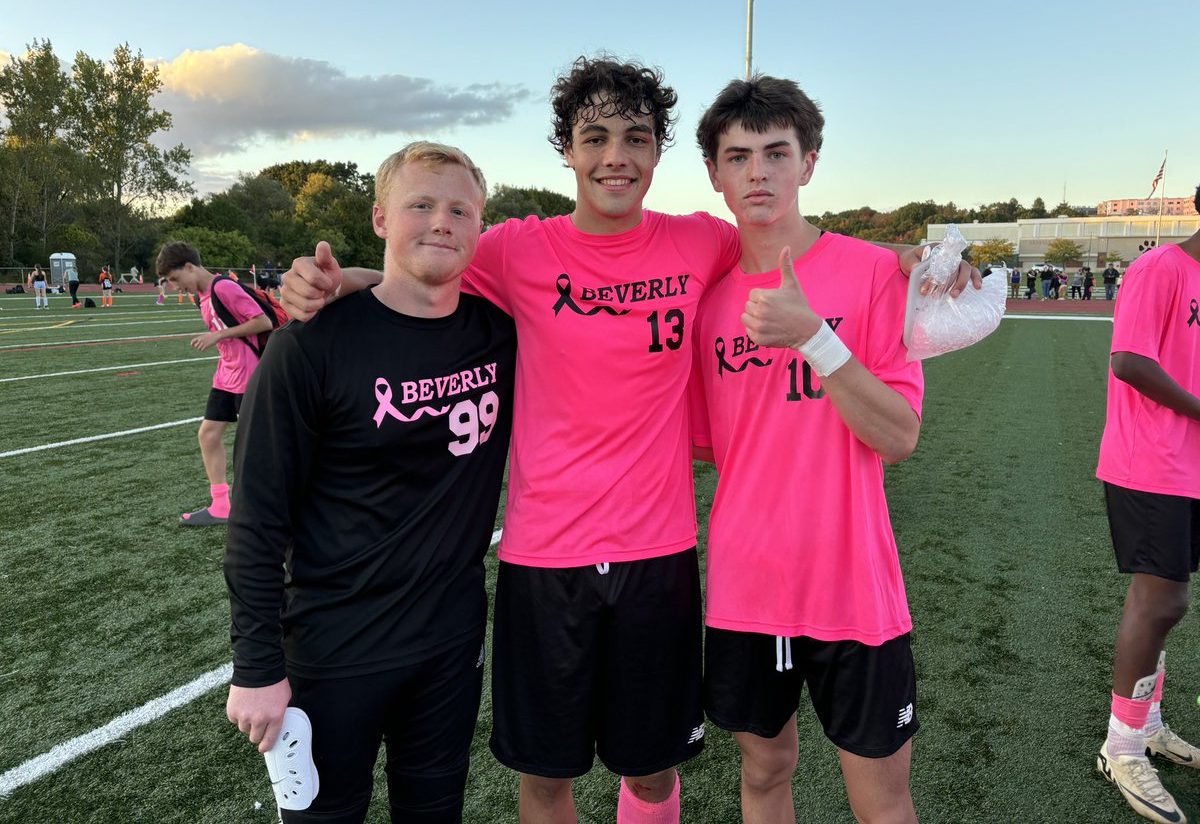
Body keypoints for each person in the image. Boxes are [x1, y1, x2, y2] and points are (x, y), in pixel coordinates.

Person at [280, 57, 977, 824]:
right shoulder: (516, 249)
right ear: (569, 152)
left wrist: (906, 261)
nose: (616, 155)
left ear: (659, 154)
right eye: (596, 137)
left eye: (636, 138)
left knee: (651, 774)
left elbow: (799, 252)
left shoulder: (700, 244)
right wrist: (330, 281)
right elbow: (419, 263)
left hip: (661, 557)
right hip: (545, 559)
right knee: (548, 778)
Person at [225, 143, 515, 823]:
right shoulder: (310, 346)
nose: (441, 221)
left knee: (435, 812)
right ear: (381, 217)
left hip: (449, 640)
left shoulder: (502, 334)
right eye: (421, 205)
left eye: (459, 209)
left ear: (481, 226)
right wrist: (257, 666)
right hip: (334, 648)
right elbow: (259, 520)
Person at [689, 75, 923, 823]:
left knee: (881, 799)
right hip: (747, 585)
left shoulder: (875, 272)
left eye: (776, 152)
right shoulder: (708, 300)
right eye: (739, 156)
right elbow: (705, 444)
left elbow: (898, 435)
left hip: (854, 584)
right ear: (716, 174)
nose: (759, 171)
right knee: (763, 774)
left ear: (809, 163)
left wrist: (816, 338)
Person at [1094, 183, 1200, 824]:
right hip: (1150, 459)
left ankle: (1149, 722)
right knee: (1161, 599)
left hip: (1190, 464)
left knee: (1166, 605)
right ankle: (1122, 745)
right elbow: (1129, 360)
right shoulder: (1160, 266)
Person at [156, 241, 272, 525]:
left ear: (189, 267)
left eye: (174, 279)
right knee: (208, 435)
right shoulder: (202, 295)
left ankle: (268, 505)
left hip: (249, 374)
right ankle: (221, 505)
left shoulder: (223, 287)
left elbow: (263, 322)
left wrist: (218, 336)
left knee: (257, 445)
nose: (173, 286)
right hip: (226, 374)